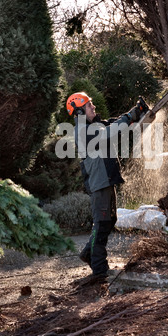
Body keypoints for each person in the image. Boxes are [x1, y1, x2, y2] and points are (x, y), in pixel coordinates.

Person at [66, 92, 147, 284]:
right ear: (79, 112)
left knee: (110, 220)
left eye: (92, 104)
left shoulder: (94, 126)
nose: (93, 108)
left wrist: (134, 113)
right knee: (101, 224)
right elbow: (110, 131)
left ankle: (88, 252)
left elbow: (111, 125)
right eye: (89, 106)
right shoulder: (84, 131)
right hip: (99, 183)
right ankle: (99, 270)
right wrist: (131, 116)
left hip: (106, 181)